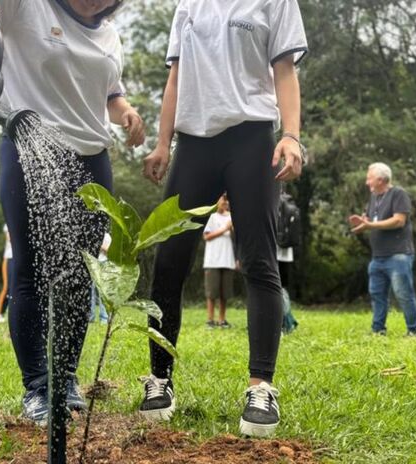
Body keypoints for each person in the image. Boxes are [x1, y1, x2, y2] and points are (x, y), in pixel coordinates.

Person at [0, 0, 145, 425]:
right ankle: (37, 388)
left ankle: (64, 379)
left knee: (80, 274)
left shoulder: (109, 33)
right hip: (29, 146)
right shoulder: (26, 6)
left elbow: (111, 94)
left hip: (92, 160)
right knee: (30, 270)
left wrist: (128, 113)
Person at [139, 0, 308, 437]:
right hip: (194, 144)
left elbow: (284, 69)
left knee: (259, 262)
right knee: (168, 263)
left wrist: (291, 135)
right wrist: (162, 143)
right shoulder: (187, 6)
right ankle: (160, 380)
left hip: (251, 138)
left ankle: (261, 387)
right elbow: (175, 77)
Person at [348, 163, 416, 337]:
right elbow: (371, 220)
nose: (367, 182)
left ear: (381, 179)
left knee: (403, 294)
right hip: (378, 257)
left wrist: (370, 225)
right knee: (377, 295)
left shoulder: (398, 194)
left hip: (398, 255)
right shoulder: (374, 197)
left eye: (369, 178)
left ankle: (415, 331)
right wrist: (362, 223)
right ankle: (377, 330)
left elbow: (399, 220)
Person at [202, 194, 235, 329]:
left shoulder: (232, 217)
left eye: (227, 200)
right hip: (212, 260)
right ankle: (210, 320)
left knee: (224, 293)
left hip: (228, 259)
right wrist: (224, 229)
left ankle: (222, 320)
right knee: (211, 292)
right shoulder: (211, 216)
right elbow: (207, 237)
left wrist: (231, 230)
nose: (226, 202)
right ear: (217, 201)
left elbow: (236, 238)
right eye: (223, 200)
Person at [88, 232, 111, 323]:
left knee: (102, 292)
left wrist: (98, 245)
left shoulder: (107, 236)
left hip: (103, 264)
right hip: (93, 262)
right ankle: (91, 316)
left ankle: (104, 318)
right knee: (91, 291)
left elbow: (107, 249)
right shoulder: (93, 234)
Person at [277, 244, 298, 333]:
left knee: (280, 288)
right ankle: (286, 321)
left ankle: (286, 321)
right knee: (281, 288)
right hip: (281, 253)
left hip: (280, 253)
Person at [0, 224, 12, 323]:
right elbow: (10, 238)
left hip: (21, 259)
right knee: (7, 287)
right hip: (9, 258)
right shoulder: (9, 223)